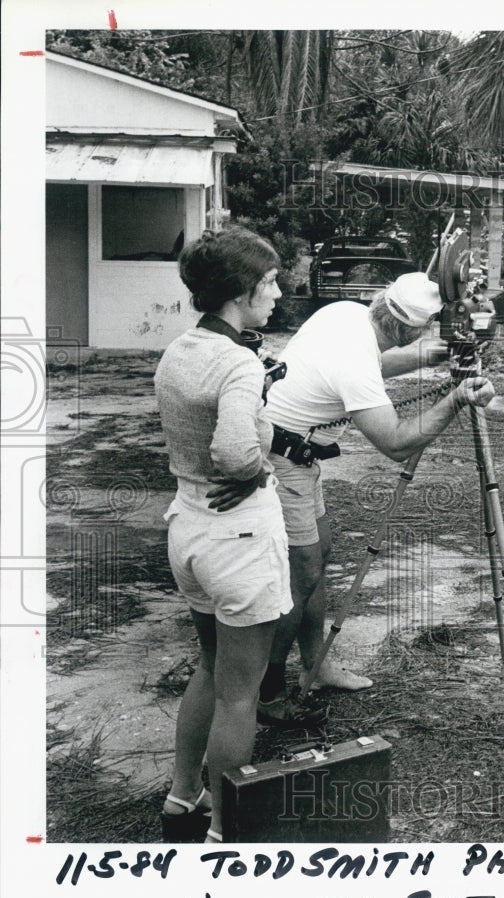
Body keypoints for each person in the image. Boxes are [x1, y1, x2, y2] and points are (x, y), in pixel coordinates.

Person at [243, 272, 496, 715]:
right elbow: (397, 444)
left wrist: (438, 353)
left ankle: (315, 663)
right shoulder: (355, 360)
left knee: (317, 556)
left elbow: (377, 364)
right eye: (426, 332)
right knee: (301, 572)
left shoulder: (346, 315)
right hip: (281, 460)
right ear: (408, 329)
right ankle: (266, 689)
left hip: (293, 451)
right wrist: (455, 399)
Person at [154, 226, 313, 844]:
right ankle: (225, 828)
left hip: (188, 527)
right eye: (270, 282)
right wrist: (256, 469)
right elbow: (234, 449)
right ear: (242, 291)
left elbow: (196, 426)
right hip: (237, 537)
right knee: (240, 696)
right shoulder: (240, 361)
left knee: (211, 666)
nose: (278, 292)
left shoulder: (181, 349)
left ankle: (181, 795)